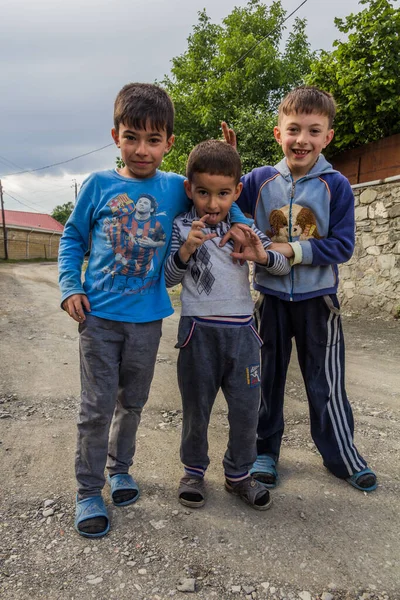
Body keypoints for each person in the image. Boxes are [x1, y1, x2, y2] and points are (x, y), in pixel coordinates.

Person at [58, 83, 251, 538]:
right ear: (115, 136)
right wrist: (70, 287)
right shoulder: (98, 186)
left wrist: (241, 221)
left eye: (153, 139)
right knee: (95, 407)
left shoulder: (175, 188)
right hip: (99, 318)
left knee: (133, 403)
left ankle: (120, 468)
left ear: (169, 143)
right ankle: (88, 491)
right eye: (131, 137)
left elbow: (217, 199)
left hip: (147, 321)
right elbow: (72, 239)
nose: (141, 150)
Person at [227, 86, 377, 492]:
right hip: (269, 299)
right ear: (278, 134)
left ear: (327, 137)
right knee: (263, 378)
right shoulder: (257, 180)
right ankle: (263, 452)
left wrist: (288, 249)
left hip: (318, 302)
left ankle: (341, 454)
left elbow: (341, 246)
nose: (302, 140)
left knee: (324, 381)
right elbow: (227, 201)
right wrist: (230, 162)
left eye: (314, 131)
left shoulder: (337, 186)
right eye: (293, 129)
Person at [164, 140, 291, 511]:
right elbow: (170, 278)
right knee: (196, 409)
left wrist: (261, 254)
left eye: (223, 194)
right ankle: (193, 472)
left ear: (236, 191)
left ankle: (238, 474)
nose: (213, 203)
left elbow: (282, 267)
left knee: (246, 409)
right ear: (190, 190)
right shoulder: (181, 226)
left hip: (243, 336)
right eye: (203, 193)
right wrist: (185, 250)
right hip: (196, 333)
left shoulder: (246, 227)